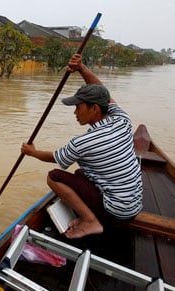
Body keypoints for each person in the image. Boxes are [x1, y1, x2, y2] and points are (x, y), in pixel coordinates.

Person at [21, 54, 143, 239]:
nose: (75, 112)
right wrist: (81, 68)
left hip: (116, 214)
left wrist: (32, 152)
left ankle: (90, 221)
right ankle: (92, 215)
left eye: (79, 107)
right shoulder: (122, 119)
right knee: (79, 174)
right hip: (134, 207)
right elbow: (103, 92)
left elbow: (55, 157)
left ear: (94, 109)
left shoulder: (84, 142)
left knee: (54, 177)